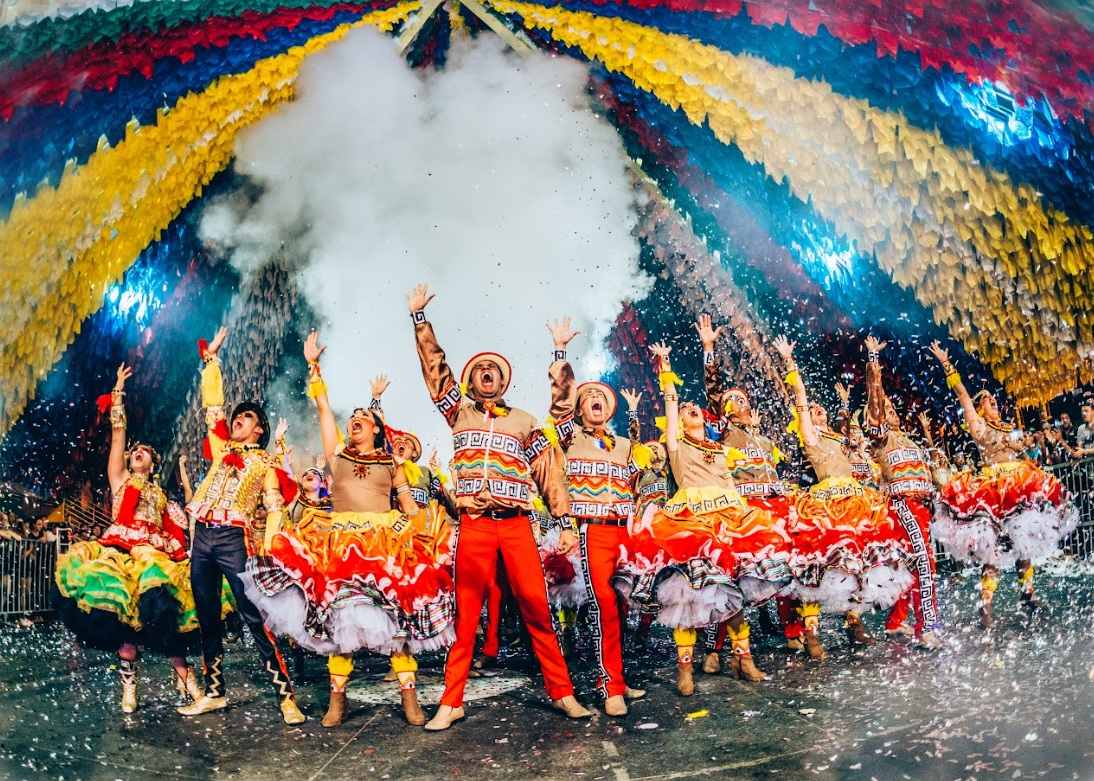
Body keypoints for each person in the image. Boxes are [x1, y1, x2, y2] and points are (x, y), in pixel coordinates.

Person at [407, 283, 589, 731]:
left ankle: (562, 692)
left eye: (494, 369)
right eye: (479, 369)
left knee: (537, 608)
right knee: (466, 614)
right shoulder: (458, 413)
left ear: (504, 381)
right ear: (470, 382)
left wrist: (565, 522)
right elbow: (436, 371)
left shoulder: (525, 421)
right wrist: (420, 320)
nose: (486, 372)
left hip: (517, 525)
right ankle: (451, 701)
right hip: (474, 525)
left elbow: (549, 471)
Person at [249, 337, 453, 727]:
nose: (355, 418)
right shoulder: (337, 454)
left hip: (386, 543)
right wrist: (314, 368)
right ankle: (337, 700)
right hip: (340, 543)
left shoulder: (392, 462)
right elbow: (323, 408)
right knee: (339, 619)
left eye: (363, 416)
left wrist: (424, 536)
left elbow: (409, 506)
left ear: (376, 428)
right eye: (353, 416)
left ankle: (409, 697)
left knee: (395, 620)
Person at [635, 342, 790, 694]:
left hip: (728, 519)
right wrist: (666, 368)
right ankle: (685, 670)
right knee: (687, 595)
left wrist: (742, 513)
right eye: (685, 409)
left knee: (732, 589)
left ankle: (743, 658)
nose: (690, 408)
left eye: (694, 408)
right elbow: (671, 404)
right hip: (690, 521)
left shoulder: (721, 448)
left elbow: (730, 481)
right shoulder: (676, 445)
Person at [53, 363, 204, 713]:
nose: (138, 451)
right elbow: (118, 434)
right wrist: (118, 393)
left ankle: (190, 684)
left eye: (145, 451)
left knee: (166, 625)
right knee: (125, 629)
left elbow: (180, 524)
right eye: (135, 450)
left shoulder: (162, 496)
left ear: (152, 463)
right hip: (121, 552)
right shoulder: (120, 479)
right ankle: (129, 690)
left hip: (155, 555)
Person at [177, 328, 304, 724]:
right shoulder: (221, 450)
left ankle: (286, 696)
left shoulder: (266, 464)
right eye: (238, 416)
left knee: (253, 617)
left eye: (246, 417)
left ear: (259, 429)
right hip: (203, 538)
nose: (237, 420)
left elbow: (275, 507)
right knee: (207, 617)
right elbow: (213, 406)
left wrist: (270, 546)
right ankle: (215, 692)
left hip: (235, 540)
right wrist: (211, 360)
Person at [774, 336, 911, 657]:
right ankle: (812, 636)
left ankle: (854, 624)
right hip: (826, 505)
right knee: (816, 569)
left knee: (856, 564)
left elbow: (860, 424)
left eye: (820, 408)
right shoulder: (809, 436)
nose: (818, 410)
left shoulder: (839, 438)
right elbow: (800, 400)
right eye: (813, 410)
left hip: (855, 502)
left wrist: (871, 364)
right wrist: (790, 364)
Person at [928, 341, 1076, 628]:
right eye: (987, 400)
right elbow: (962, 394)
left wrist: (1022, 450)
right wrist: (947, 364)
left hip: (1017, 486)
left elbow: (1020, 449)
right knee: (992, 551)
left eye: (993, 399)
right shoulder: (978, 424)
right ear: (980, 409)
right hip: (992, 491)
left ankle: (1027, 594)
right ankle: (985, 605)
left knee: (1023, 544)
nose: (992, 401)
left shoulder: (1006, 427)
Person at [549, 318, 647, 716]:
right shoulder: (570, 437)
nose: (594, 398)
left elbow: (636, 486)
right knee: (603, 601)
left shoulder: (624, 445)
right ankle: (609, 688)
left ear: (608, 409)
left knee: (622, 603)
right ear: (580, 409)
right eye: (587, 396)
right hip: (593, 533)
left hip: (624, 531)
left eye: (600, 396)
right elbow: (559, 405)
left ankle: (617, 677)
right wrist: (560, 353)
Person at [696, 315, 795, 663]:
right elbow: (712, 395)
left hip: (770, 511)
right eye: (735, 400)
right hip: (740, 513)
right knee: (730, 579)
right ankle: (713, 649)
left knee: (782, 571)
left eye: (744, 400)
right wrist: (709, 349)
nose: (742, 403)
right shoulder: (723, 432)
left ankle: (793, 632)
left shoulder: (763, 440)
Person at [862, 337, 942, 650]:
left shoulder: (909, 441)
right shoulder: (882, 439)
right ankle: (926, 629)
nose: (890, 411)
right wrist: (873, 364)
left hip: (921, 507)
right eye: (886, 410)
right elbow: (875, 404)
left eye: (893, 408)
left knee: (909, 566)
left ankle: (896, 621)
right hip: (904, 506)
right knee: (925, 565)